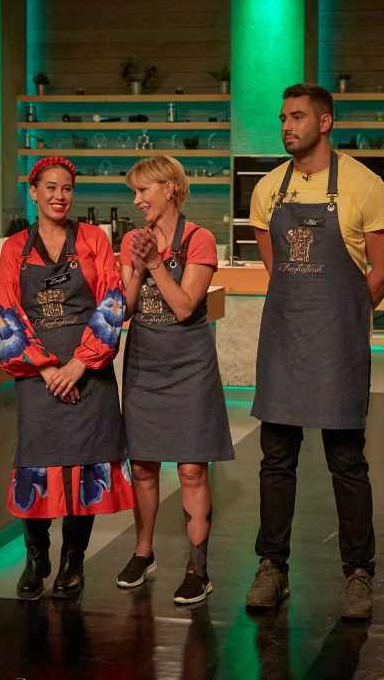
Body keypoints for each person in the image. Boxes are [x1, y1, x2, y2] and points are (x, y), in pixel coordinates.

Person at [246, 83, 384, 619]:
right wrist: (305, 309)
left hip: (337, 345)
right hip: (285, 340)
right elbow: (277, 267)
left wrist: (344, 318)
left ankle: (359, 573)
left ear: (326, 122)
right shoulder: (268, 189)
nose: (287, 126)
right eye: (282, 118)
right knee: (275, 460)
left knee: (347, 462)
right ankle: (272, 566)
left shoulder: (366, 186)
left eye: (297, 117)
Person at [0, 156, 134, 601]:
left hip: (89, 373)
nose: (59, 196)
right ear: (33, 192)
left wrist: (79, 365)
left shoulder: (93, 239)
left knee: (84, 465)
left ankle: (74, 561)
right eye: (51, 187)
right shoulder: (14, 248)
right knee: (36, 461)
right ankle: (37, 558)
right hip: (39, 375)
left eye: (67, 188)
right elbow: (6, 311)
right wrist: (48, 367)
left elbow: (113, 301)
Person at [115, 155, 235, 604]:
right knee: (143, 466)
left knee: (191, 469)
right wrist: (136, 265)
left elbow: (185, 307)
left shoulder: (200, 239)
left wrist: (154, 264)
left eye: (143, 190)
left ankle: (197, 569)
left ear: (169, 189)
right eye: (134, 191)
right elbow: (127, 310)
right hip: (145, 362)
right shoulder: (132, 240)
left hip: (189, 365)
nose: (136, 200)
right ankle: (143, 552)